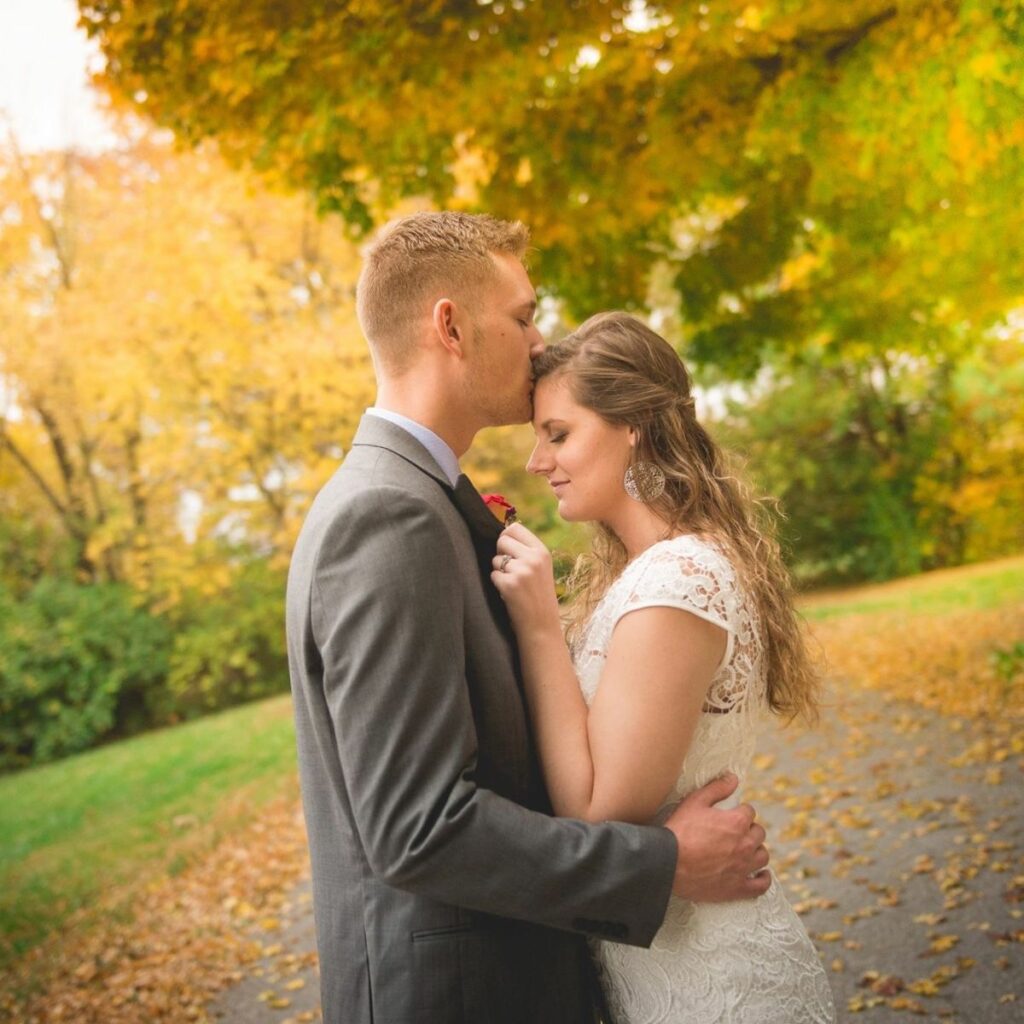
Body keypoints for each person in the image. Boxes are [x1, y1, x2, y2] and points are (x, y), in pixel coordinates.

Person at [286, 214, 772, 1024]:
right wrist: (661, 863)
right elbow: (417, 828)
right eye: (521, 315)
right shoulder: (387, 513)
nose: (538, 337)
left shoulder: (421, 500)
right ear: (450, 326)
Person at [490, 310, 837, 1023]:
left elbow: (598, 812)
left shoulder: (676, 579)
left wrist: (538, 630)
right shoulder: (654, 571)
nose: (536, 460)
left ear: (632, 427)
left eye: (558, 433)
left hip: (714, 988)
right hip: (663, 963)